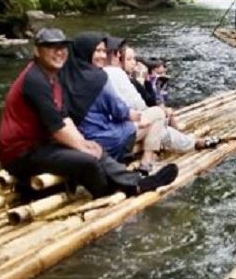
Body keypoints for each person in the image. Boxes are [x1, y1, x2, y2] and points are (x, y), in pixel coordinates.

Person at [0, 28, 175, 199]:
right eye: (51, 48)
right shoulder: (35, 80)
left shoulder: (52, 76)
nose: (59, 52)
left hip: (41, 144)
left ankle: (137, 182)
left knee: (95, 149)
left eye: (62, 48)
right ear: (37, 51)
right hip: (20, 153)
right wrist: (81, 147)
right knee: (88, 160)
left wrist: (83, 142)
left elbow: (64, 117)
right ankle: (108, 192)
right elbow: (56, 127)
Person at [60, 31, 177, 175]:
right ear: (86, 51)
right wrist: (140, 117)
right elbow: (120, 111)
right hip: (105, 139)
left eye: (104, 51)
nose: (103, 55)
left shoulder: (62, 76)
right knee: (157, 113)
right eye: (98, 51)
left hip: (72, 140)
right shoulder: (98, 78)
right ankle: (147, 161)